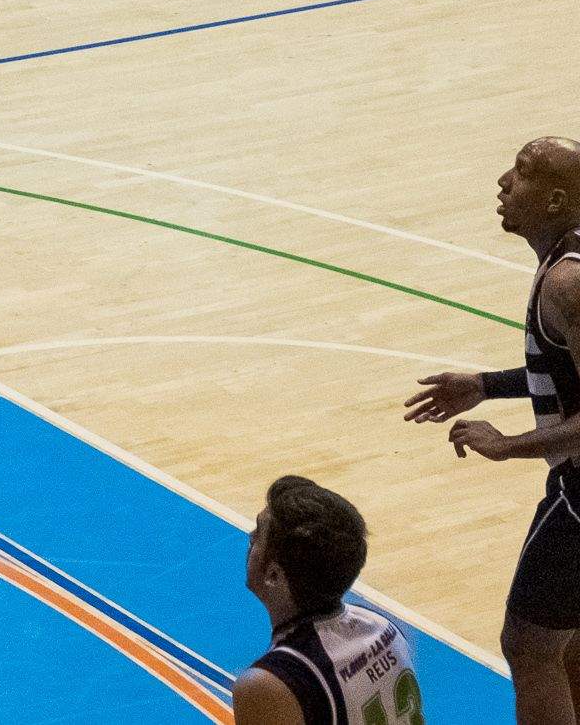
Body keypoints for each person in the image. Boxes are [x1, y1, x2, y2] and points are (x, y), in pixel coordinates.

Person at [403, 137, 580, 725]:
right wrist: (486, 383)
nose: (504, 181)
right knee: (569, 643)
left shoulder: (566, 284)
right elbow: (563, 372)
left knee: (528, 647)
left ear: (556, 200)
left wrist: (508, 447)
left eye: (523, 173)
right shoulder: (563, 263)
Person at [233, 476, 419, 725]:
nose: (250, 535)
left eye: (259, 532)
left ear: (274, 576)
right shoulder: (382, 625)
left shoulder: (268, 685)